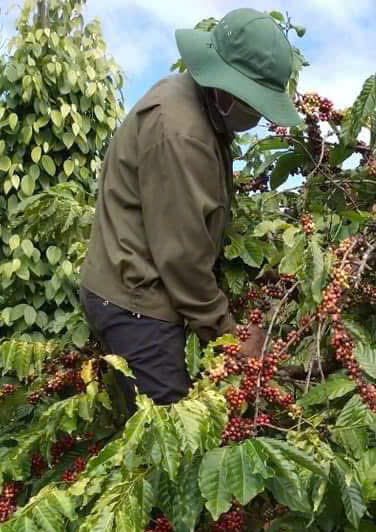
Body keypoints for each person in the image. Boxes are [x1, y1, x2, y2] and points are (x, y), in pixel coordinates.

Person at [80, 8, 301, 415]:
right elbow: (182, 258)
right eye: (255, 103)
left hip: (136, 286)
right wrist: (231, 339)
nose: (257, 116)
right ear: (228, 90)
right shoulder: (182, 134)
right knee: (171, 436)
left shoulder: (194, 103)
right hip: (136, 302)